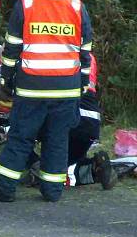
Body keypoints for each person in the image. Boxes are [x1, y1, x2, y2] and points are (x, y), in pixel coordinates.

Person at [0, 0, 93, 203]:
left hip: (31, 88)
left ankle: (3, 189)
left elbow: (12, 48)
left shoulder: (26, 3)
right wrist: (83, 82)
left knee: (21, 137)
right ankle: (52, 191)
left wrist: (7, 79)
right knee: (57, 140)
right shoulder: (77, 6)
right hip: (66, 89)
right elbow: (85, 51)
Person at [24, 54, 116, 189]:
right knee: (65, 164)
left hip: (67, 111)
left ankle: (37, 168)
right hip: (90, 122)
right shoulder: (89, 56)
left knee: (21, 135)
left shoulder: (56, 54)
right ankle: (95, 167)